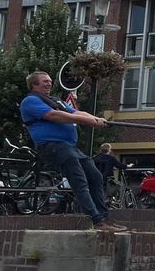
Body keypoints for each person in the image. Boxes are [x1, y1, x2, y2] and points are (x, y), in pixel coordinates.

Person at [20, 71, 126, 232]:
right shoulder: (30, 101)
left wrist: (95, 119)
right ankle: (97, 220)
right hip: (53, 146)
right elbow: (54, 116)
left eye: (49, 81)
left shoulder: (55, 100)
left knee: (95, 176)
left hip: (69, 147)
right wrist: (88, 121)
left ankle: (104, 217)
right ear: (34, 84)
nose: (49, 83)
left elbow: (75, 112)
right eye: (44, 81)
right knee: (79, 180)